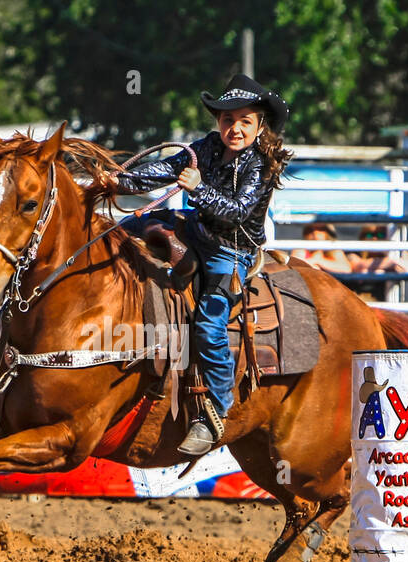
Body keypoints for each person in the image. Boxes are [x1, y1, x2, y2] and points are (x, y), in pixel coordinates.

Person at [98, 73, 293, 456]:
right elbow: (160, 171)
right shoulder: (203, 149)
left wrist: (197, 188)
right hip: (195, 233)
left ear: (259, 126)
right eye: (227, 120)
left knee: (208, 324)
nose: (233, 128)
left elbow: (237, 213)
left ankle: (215, 410)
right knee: (120, 234)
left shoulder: (260, 167)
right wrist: (117, 181)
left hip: (231, 252)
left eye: (244, 121)